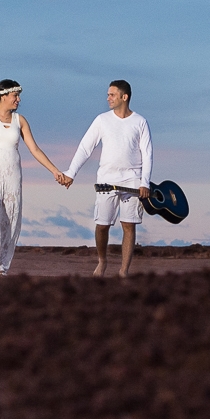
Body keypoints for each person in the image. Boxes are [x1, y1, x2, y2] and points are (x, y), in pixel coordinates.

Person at [0, 79, 67, 277]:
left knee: (11, 221)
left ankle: (1, 267)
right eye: (15, 96)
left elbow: (35, 149)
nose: (18, 99)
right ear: (3, 96)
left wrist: (55, 171)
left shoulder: (20, 120)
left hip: (13, 177)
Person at [60, 80, 152, 277]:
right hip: (106, 180)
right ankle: (102, 261)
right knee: (102, 226)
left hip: (132, 180)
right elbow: (86, 147)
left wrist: (145, 182)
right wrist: (71, 173)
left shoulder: (140, 122)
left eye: (112, 95)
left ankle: (123, 271)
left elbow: (147, 154)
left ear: (124, 97)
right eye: (108, 95)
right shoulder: (102, 120)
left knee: (129, 225)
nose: (108, 98)